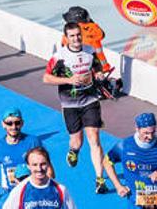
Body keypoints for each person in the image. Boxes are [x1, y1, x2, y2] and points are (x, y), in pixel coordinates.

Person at [43, 22, 108, 194]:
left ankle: (100, 179)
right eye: (72, 36)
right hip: (70, 104)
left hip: (90, 100)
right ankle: (73, 150)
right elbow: (46, 78)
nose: (76, 38)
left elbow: (97, 67)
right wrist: (69, 80)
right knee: (77, 141)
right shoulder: (59, 57)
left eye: (78, 34)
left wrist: (99, 74)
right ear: (66, 38)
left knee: (94, 139)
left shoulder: (89, 51)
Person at [104, 112, 157, 208]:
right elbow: (106, 162)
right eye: (146, 133)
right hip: (136, 204)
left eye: (153, 132)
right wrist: (118, 186)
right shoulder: (125, 146)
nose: (150, 137)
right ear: (137, 128)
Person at [0, 108, 52, 198]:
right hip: (11, 195)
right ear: (3, 124)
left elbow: (48, 168)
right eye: (9, 123)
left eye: (17, 123)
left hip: (34, 194)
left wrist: (47, 188)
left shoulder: (33, 142)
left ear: (22, 123)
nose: (13, 127)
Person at [1, 147, 77, 209]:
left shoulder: (61, 190)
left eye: (43, 164)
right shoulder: (19, 191)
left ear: (48, 164)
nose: (39, 169)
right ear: (28, 166)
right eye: (35, 165)